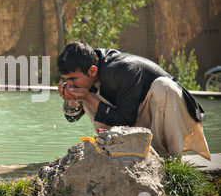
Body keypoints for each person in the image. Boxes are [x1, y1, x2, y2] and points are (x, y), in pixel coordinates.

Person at [57, 41, 211, 161]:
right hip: (131, 116)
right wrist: (71, 98)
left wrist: (88, 97)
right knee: (87, 92)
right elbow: (72, 117)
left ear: (92, 71)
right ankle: (111, 147)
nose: (70, 84)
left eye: (72, 79)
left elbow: (126, 120)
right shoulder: (87, 70)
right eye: (66, 81)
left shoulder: (121, 69)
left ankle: (164, 156)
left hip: (167, 115)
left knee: (164, 86)